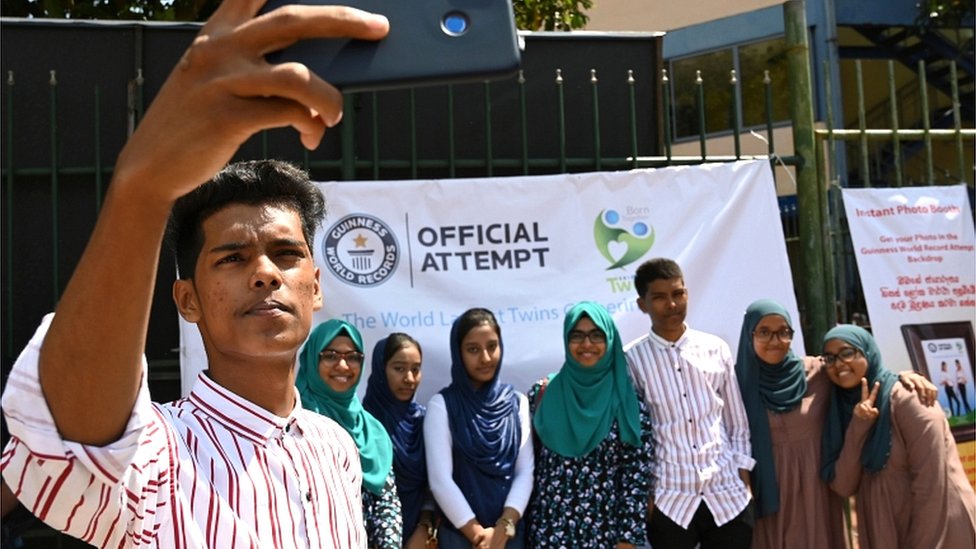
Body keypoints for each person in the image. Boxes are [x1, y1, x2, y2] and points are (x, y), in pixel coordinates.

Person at [0, 2, 391, 545]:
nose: (263, 273)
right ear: (187, 300)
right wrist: (140, 193)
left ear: (316, 287)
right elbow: (67, 440)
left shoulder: (336, 446)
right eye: (231, 257)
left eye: (285, 254)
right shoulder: (158, 452)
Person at [736, 299, 938, 549]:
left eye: (783, 332)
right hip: (769, 494)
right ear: (749, 334)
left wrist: (906, 377)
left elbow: (859, 368)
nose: (775, 341)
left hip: (816, 493)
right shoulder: (735, 384)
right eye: (764, 332)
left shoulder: (817, 372)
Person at [623, 258, 754, 549]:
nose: (672, 304)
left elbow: (736, 421)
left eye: (678, 293)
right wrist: (649, 498)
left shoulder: (715, 348)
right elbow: (636, 435)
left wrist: (742, 477)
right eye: (659, 297)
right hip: (670, 500)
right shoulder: (631, 360)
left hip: (728, 495)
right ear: (642, 304)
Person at [821, 325, 976, 549]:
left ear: (868, 352)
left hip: (939, 524)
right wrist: (859, 426)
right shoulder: (843, 409)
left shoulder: (909, 398)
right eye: (830, 358)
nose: (838, 364)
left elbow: (933, 485)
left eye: (847, 352)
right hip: (886, 528)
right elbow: (843, 485)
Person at [527, 301, 654, 548]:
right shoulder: (541, 394)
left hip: (606, 537)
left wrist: (628, 540)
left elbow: (635, 479)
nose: (587, 344)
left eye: (597, 335)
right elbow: (526, 469)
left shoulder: (628, 403)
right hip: (547, 535)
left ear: (609, 340)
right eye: (577, 335)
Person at [424, 308, 534, 549]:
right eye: (473, 349)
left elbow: (525, 471)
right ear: (458, 352)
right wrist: (477, 534)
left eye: (492, 346)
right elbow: (440, 480)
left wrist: (504, 526)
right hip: (459, 536)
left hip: (509, 535)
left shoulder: (517, 402)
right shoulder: (442, 405)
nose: (485, 358)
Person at [297, 320, 402, 548]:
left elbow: (387, 507)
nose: (343, 366)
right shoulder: (292, 423)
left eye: (353, 356)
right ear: (311, 359)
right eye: (330, 355)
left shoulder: (371, 430)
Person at [363, 333, 436, 549]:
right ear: (380, 369)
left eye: (416, 369)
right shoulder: (363, 424)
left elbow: (434, 485)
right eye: (399, 368)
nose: (409, 379)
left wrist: (424, 527)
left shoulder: (424, 421)